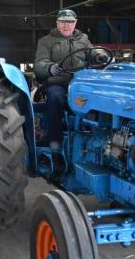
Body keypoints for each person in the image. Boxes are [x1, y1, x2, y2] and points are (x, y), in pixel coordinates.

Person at [34, 9, 92, 167]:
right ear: (57, 23)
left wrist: (98, 55)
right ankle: (55, 143)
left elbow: (92, 54)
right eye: (63, 22)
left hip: (81, 84)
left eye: (70, 22)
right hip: (57, 83)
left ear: (75, 23)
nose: (66, 25)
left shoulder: (83, 39)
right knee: (55, 99)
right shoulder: (46, 41)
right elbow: (39, 64)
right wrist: (50, 68)